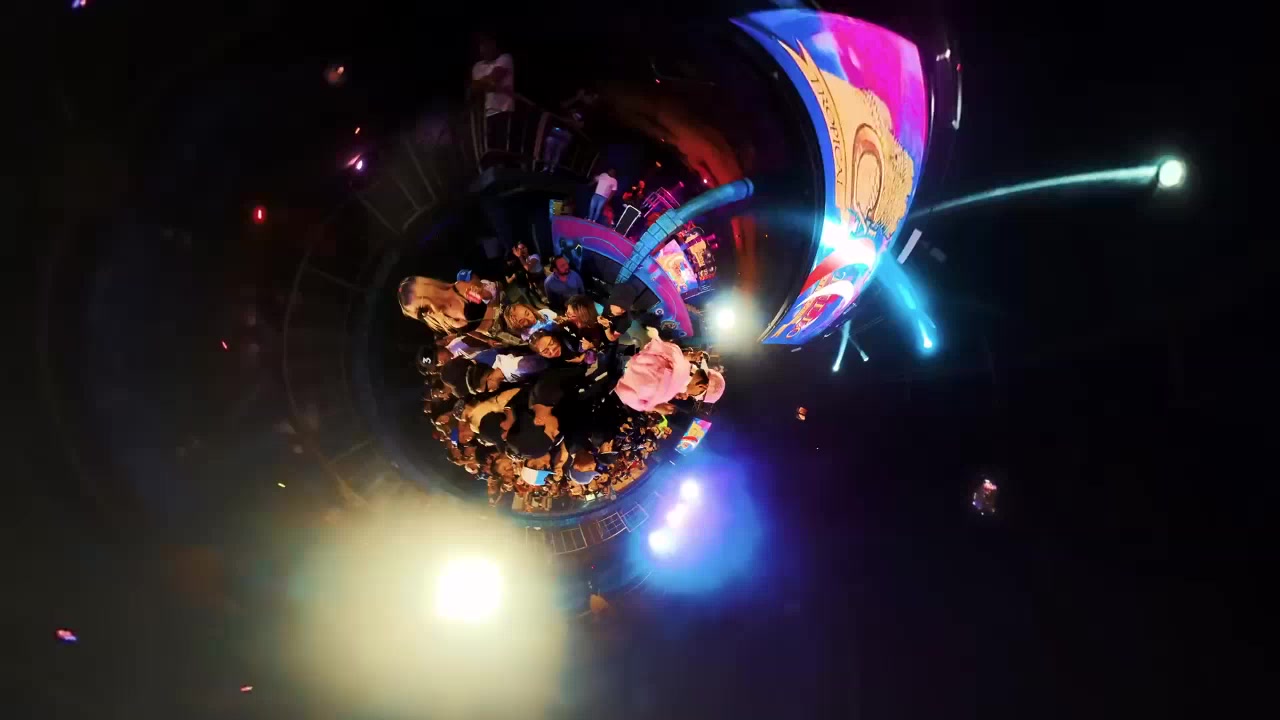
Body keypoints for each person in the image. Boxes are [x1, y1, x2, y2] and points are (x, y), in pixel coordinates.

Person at [470, 34, 515, 153]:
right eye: (482, 45)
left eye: (488, 44)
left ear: (494, 45)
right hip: (487, 114)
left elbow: (494, 78)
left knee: (504, 149)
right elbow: (475, 88)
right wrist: (488, 84)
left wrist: (485, 83)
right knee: (490, 150)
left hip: (504, 112)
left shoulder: (505, 58)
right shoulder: (477, 66)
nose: (485, 48)